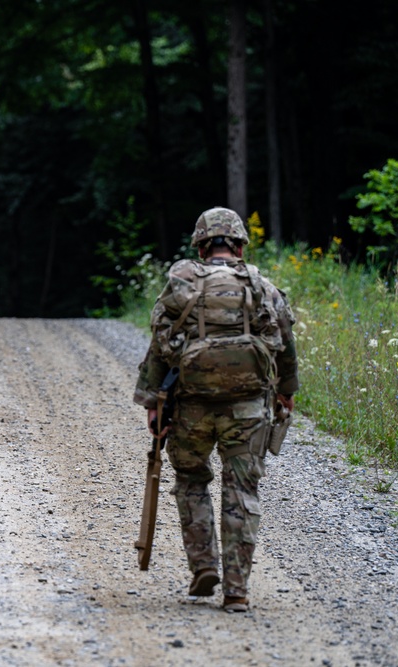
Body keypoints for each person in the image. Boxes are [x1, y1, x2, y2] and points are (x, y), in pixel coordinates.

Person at [133, 207, 298, 612]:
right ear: (239, 245)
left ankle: (203, 567)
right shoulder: (261, 285)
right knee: (241, 491)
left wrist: (153, 401)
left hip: (191, 406)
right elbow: (286, 343)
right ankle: (237, 590)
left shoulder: (182, 282)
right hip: (247, 408)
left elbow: (159, 341)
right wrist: (287, 392)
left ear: (202, 245)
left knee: (191, 480)